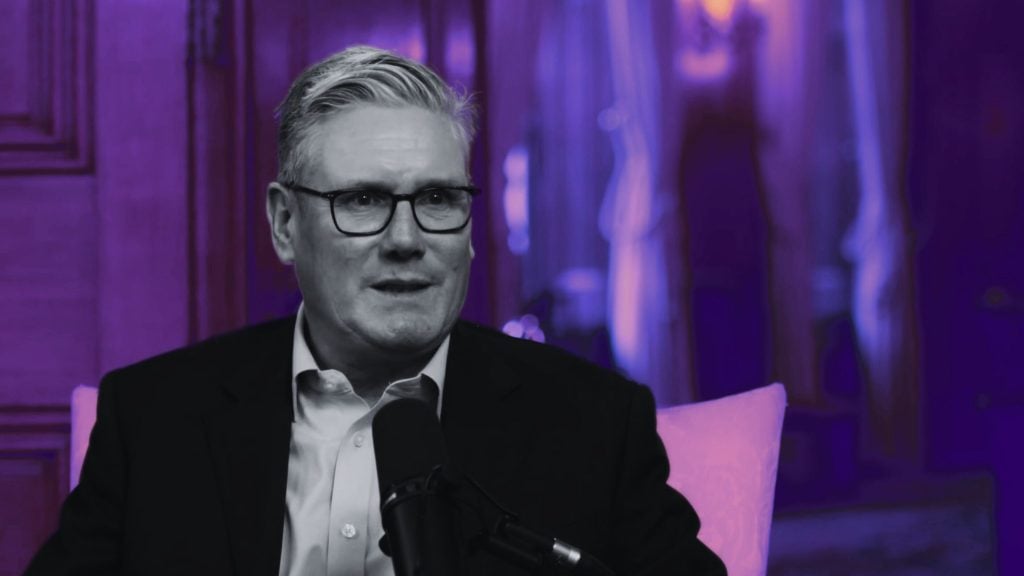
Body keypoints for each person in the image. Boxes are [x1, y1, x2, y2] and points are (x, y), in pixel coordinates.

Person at [26, 46, 725, 576]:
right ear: (284, 224)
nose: (406, 240)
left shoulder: (592, 423)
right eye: (362, 201)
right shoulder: (154, 419)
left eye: (438, 199)